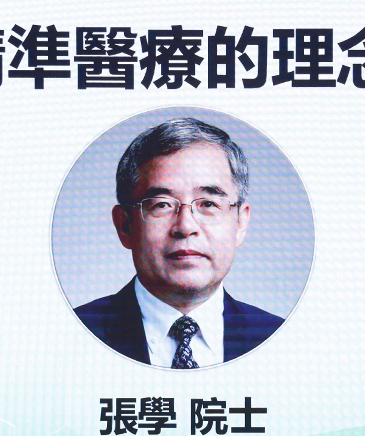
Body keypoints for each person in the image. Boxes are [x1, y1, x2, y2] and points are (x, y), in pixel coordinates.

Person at [75, 117, 283, 368]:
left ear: (240, 222)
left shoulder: (281, 341)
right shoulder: (72, 335)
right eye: (161, 205)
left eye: (208, 204)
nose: (185, 227)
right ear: (125, 226)